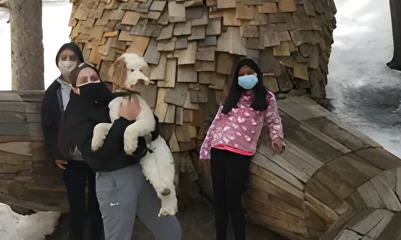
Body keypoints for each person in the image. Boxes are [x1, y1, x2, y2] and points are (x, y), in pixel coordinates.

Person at [64, 63, 182, 240]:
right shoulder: (75, 116)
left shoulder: (114, 100)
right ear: (75, 89)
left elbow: (152, 129)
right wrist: (125, 120)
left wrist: (145, 120)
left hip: (141, 172)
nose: (91, 82)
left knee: (171, 232)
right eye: (84, 80)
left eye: (94, 78)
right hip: (113, 181)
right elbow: (97, 157)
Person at [199, 58, 286, 240]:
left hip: (240, 153)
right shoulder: (232, 96)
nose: (245, 77)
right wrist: (207, 146)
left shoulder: (267, 97)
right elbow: (217, 121)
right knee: (220, 202)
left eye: (249, 73)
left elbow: (274, 120)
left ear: (257, 74)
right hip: (219, 149)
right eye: (241, 75)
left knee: (234, 202)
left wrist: (276, 137)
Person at [41, 43, 103, 240]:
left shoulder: (92, 83)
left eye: (72, 58)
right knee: (76, 206)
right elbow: (48, 126)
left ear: (79, 60)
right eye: (63, 58)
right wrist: (55, 153)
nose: (67, 62)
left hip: (95, 155)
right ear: (57, 61)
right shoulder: (53, 92)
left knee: (97, 204)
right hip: (71, 158)